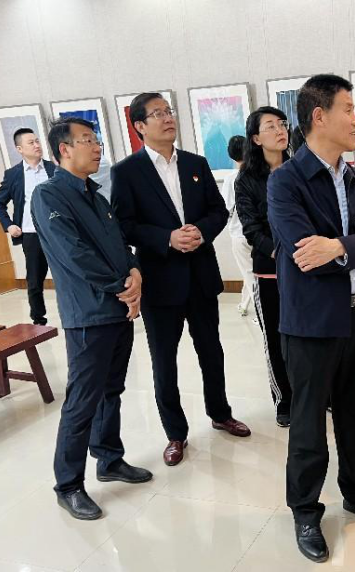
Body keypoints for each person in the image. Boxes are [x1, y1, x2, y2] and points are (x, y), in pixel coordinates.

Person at [267, 74, 355, 564]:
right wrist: (348, 249)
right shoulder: (286, 180)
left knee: (353, 416)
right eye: (348, 109)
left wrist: (338, 246)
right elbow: (304, 253)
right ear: (319, 116)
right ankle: (305, 511)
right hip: (310, 324)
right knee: (307, 426)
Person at [111, 93, 251, 469]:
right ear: (140, 126)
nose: (167, 118)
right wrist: (167, 238)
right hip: (159, 281)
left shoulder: (195, 163)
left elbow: (218, 211)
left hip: (200, 275)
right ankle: (175, 433)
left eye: (168, 111)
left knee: (212, 352)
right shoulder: (127, 172)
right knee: (164, 361)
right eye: (157, 114)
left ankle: (220, 413)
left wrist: (201, 232)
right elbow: (124, 225)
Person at [31, 117, 152, 521]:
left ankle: (109, 458)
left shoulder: (96, 196)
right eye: (87, 141)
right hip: (88, 314)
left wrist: (135, 273)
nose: (97, 147)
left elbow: (119, 246)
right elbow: (74, 254)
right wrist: (123, 285)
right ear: (64, 149)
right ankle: (68, 485)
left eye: (96, 140)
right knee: (82, 399)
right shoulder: (49, 196)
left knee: (111, 389)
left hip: (117, 308)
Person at [235, 107, 292, 427]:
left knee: (311, 336)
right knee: (276, 337)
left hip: (308, 267)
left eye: (282, 124)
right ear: (256, 138)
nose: (280, 130)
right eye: (270, 126)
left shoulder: (300, 170)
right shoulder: (247, 180)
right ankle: (284, 399)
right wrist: (282, 253)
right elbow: (251, 229)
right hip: (271, 270)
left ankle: (318, 394)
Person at [0, 127, 56, 325]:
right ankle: (38, 319)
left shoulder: (54, 169)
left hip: (57, 232)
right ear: (19, 149)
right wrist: (9, 225)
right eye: (31, 143)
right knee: (35, 279)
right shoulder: (13, 174)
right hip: (31, 233)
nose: (37, 145)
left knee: (68, 274)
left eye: (37, 141)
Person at [221, 135, 253, 317]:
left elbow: (226, 208)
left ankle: (263, 316)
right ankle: (244, 304)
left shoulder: (231, 178)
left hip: (240, 235)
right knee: (252, 272)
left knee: (251, 275)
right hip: (259, 233)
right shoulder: (257, 174)